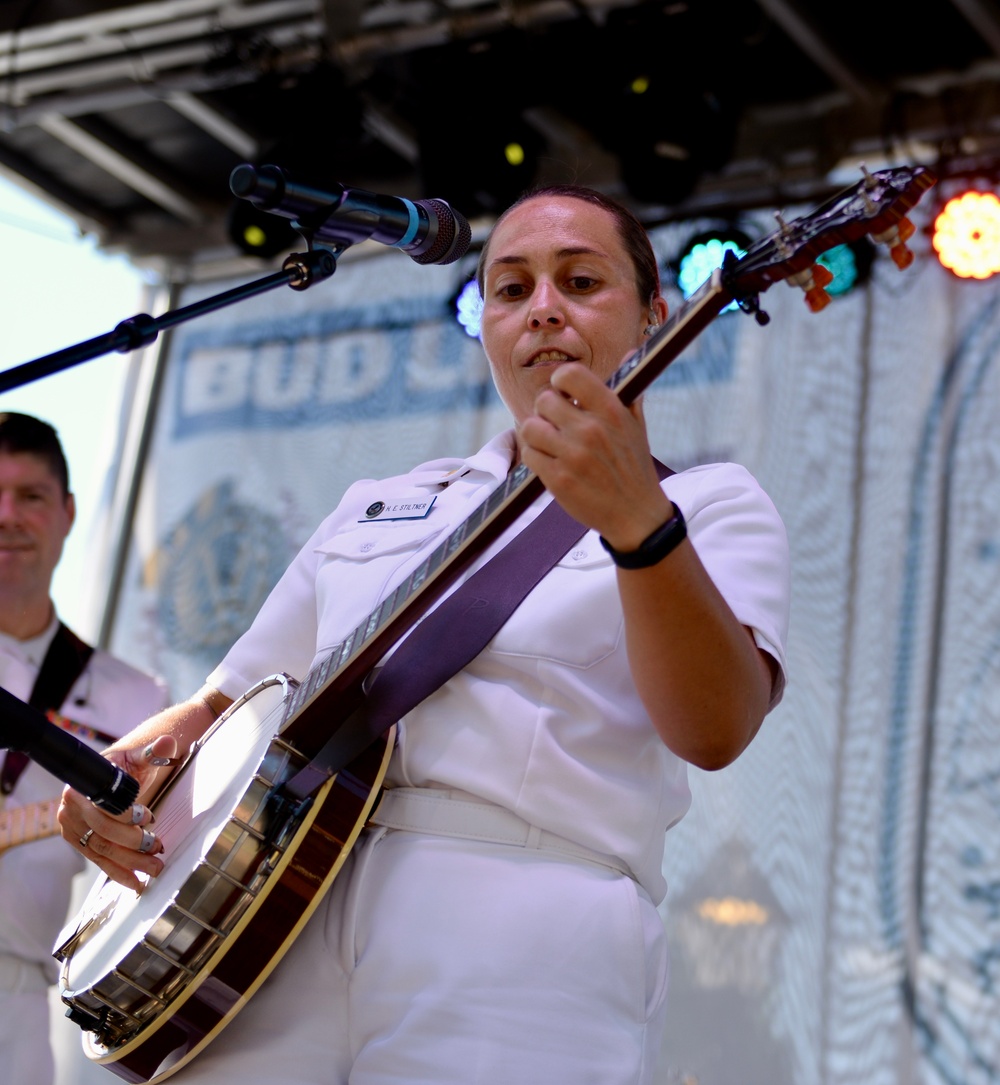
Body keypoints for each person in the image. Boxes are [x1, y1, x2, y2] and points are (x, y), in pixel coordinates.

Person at [60, 185, 790, 1084]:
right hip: (277, 910)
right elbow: (229, 700)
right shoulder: (378, 503)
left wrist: (641, 524)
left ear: (655, 314)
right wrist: (140, 764)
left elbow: (715, 728)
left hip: (521, 917)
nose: (543, 309)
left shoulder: (709, 504)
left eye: (581, 280)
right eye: (510, 289)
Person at [0, 412, 169, 1085]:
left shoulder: (137, 701)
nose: (7, 517)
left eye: (30, 496)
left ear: (68, 512)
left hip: (17, 1002)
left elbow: (147, 868)